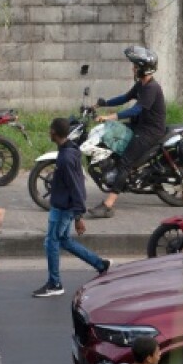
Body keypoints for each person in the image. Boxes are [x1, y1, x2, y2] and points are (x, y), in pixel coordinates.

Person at [87, 46, 166, 218]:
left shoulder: (151, 88)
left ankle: (108, 205)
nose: (133, 69)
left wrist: (110, 117)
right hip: (139, 126)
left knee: (125, 162)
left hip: (150, 131)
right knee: (111, 139)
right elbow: (125, 98)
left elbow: (136, 110)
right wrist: (103, 103)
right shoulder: (141, 84)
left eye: (135, 66)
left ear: (143, 68)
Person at [35, 117, 110, 298]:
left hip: (63, 207)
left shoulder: (66, 157)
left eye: (50, 129)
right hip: (62, 205)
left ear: (54, 133)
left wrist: (78, 216)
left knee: (51, 242)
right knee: (64, 241)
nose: (48, 132)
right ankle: (100, 264)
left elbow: (76, 186)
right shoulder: (69, 150)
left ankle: (55, 283)